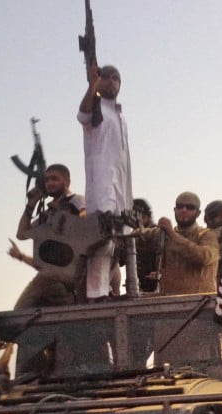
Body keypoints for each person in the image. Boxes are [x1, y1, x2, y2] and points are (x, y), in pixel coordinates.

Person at [78, 64, 133, 301]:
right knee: (101, 241)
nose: (111, 81)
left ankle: (110, 290)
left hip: (121, 185)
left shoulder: (119, 113)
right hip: (102, 184)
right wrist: (92, 86)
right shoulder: (96, 107)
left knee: (118, 242)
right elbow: (83, 114)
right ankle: (96, 294)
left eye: (115, 78)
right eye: (106, 77)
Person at [11, 163, 86, 309]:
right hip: (55, 274)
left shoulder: (76, 200)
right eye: (47, 180)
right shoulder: (47, 214)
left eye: (54, 179)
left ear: (66, 182)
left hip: (75, 269)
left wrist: (62, 214)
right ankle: (67, 299)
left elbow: (85, 220)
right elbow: (21, 234)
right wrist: (31, 205)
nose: (50, 183)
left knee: (20, 310)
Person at [138, 192, 220, 295]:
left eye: (190, 207)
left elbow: (203, 257)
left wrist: (172, 235)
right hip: (168, 304)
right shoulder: (165, 234)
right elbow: (140, 235)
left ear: (198, 213)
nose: (184, 210)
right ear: (175, 210)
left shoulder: (207, 235)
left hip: (200, 305)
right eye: (180, 206)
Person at [132, 198, 162, 293]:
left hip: (157, 285)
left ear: (147, 216)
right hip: (140, 286)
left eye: (141, 216)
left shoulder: (157, 233)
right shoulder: (133, 235)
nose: (137, 221)